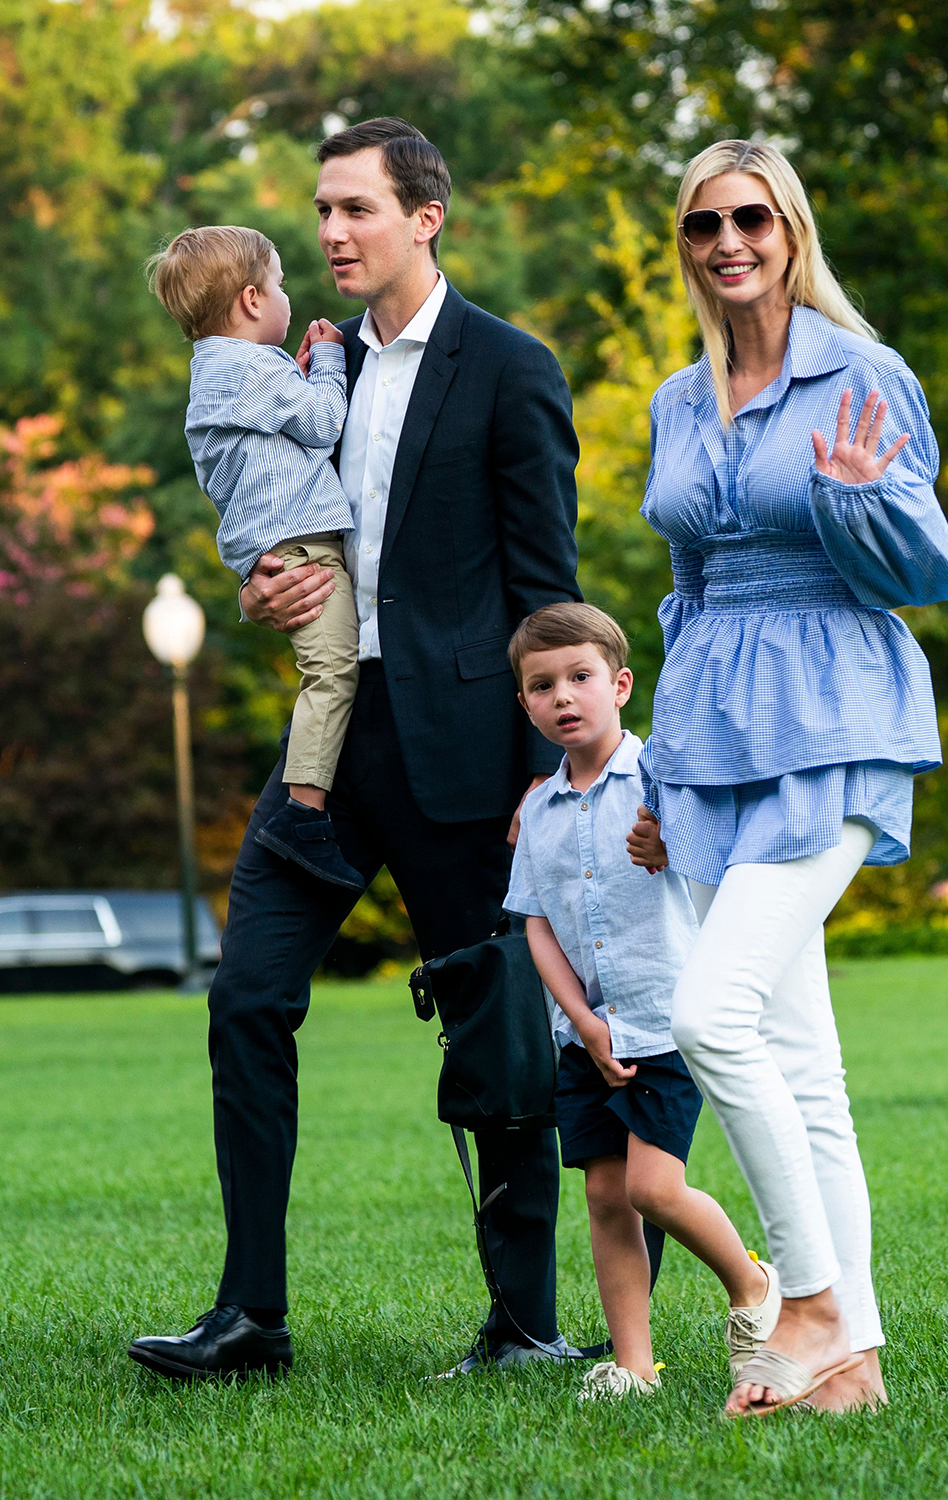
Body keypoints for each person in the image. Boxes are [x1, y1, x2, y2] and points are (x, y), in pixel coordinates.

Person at [128, 117, 592, 1382]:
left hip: (463, 751)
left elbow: (546, 586)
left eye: (355, 210)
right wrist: (256, 591)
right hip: (328, 742)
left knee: (495, 1034)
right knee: (246, 1000)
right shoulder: (288, 363)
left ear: (424, 217)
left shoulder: (509, 367)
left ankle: (523, 1325)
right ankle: (249, 1318)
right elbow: (271, 518)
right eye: (321, 211)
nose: (331, 232)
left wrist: (554, 775)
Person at [626, 139, 948, 1418]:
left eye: (749, 218)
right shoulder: (675, 397)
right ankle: (852, 1365)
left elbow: (927, 573)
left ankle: (808, 1301)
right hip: (711, 734)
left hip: (834, 717)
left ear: (790, 228)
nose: (727, 242)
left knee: (712, 1016)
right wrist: (658, 767)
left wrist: (862, 501)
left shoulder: (860, 378)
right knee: (796, 1055)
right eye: (702, 224)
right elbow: (685, 589)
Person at [504, 602, 781, 1401]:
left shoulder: (663, 777)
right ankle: (633, 1364)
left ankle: (753, 1288)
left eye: (581, 677)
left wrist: (674, 841)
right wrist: (583, 1023)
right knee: (601, 1194)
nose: (564, 697)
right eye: (542, 685)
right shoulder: (540, 812)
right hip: (588, 1035)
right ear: (524, 704)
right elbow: (537, 926)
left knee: (653, 1189)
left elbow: (724, 866)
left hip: (664, 1019)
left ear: (620, 684)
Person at [149, 225, 363, 891]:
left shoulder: (219, 370)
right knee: (332, 674)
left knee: (324, 672)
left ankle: (304, 807)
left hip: (276, 545)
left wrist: (294, 376)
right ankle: (302, 815)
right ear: (250, 299)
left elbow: (281, 444)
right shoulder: (250, 369)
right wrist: (327, 362)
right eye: (278, 284)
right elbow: (324, 426)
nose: (286, 297)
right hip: (304, 550)